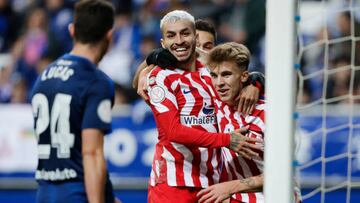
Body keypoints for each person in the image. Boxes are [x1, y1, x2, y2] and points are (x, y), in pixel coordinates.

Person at [145, 10, 262, 203]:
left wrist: (255, 82)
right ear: (163, 43)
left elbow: (239, 75)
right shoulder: (159, 77)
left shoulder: (211, 73)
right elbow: (173, 131)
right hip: (174, 185)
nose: (179, 40)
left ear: (194, 35)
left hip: (212, 184)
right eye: (171, 35)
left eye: (185, 33)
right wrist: (227, 140)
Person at [30, 1, 120, 203]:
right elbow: (91, 152)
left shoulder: (44, 77)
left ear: (72, 30)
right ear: (110, 35)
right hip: (78, 193)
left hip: (44, 193)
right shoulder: (96, 81)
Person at [196, 42, 302, 203]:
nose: (219, 83)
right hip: (240, 198)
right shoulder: (215, 104)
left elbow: (281, 173)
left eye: (226, 74)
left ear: (244, 76)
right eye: (214, 76)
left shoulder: (269, 115)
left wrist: (229, 187)